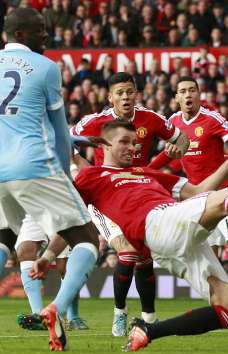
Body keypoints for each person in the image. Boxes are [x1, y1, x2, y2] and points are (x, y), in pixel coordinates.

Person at [65, 119, 228, 352]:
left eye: (134, 143)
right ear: (105, 144)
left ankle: (149, 330)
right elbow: (69, 211)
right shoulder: (91, 176)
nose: (132, 148)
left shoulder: (146, 173)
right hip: (155, 224)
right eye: (124, 142)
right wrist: (51, 254)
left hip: (171, 237)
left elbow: (197, 191)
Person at [0, 8, 101, 352]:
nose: (47, 35)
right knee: (87, 238)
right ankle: (55, 308)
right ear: (23, 33)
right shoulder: (45, 68)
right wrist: (63, 174)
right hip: (34, 165)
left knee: (0, 237)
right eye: (41, 30)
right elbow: (57, 133)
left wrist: (83, 140)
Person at [69, 71, 190, 336]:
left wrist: (175, 151)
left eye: (129, 92)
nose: (125, 97)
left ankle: (149, 318)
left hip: (140, 194)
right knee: (128, 254)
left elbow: (183, 139)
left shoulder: (151, 119)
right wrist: (82, 165)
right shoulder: (96, 121)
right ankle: (120, 313)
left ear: (136, 94)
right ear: (110, 97)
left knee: (145, 261)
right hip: (105, 195)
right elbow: (66, 138)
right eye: (119, 93)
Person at [160, 76, 228, 318]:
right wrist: (155, 166)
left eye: (192, 90)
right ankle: (222, 308)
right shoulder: (172, 123)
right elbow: (166, 158)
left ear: (199, 93)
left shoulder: (212, 119)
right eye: (182, 91)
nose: (188, 95)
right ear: (176, 98)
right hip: (196, 202)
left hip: (224, 194)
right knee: (208, 259)